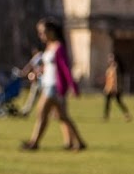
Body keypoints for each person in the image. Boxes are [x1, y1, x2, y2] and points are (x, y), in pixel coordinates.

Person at [20, 18, 86, 151]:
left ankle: (34, 143)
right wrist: (38, 73)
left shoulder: (59, 47)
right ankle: (78, 142)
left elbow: (65, 68)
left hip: (54, 86)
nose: (41, 36)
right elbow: (48, 67)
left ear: (51, 32)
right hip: (47, 84)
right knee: (62, 116)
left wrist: (73, 87)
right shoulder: (49, 47)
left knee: (42, 113)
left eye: (43, 32)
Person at [103, 52, 132, 121]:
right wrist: (106, 87)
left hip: (115, 88)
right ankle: (106, 116)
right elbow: (108, 79)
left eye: (111, 57)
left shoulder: (116, 68)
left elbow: (115, 79)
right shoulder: (109, 67)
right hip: (109, 88)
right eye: (109, 57)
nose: (109, 59)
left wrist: (115, 88)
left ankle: (127, 114)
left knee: (119, 102)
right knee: (107, 102)